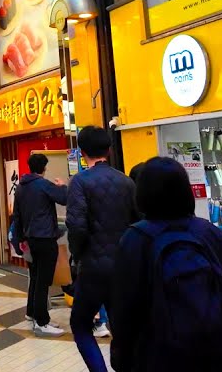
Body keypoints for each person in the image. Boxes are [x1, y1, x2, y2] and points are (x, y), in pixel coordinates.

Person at [110, 157, 222, 372]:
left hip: (161, 357)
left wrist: (123, 359)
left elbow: (124, 310)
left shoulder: (135, 239)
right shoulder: (208, 232)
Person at [66, 126, 138, 372]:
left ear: (82, 151)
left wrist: (78, 254)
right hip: (124, 268)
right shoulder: (126, 181)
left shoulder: (79, 183)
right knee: (122, 326)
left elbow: (76, 226)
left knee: (81, 324)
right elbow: (137, 222)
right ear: (109, 150)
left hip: (93, 269)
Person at [11, 153, 68, 336]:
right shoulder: (43, 184)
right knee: (43, 280)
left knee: (35, 277)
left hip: (31, 239)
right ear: (44, 167)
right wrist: (62, 186)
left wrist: (20, 239)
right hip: (45, 238)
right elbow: (64, 198)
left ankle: (32, 312)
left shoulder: (21, 187)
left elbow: (17, 216)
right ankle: (42, 322)